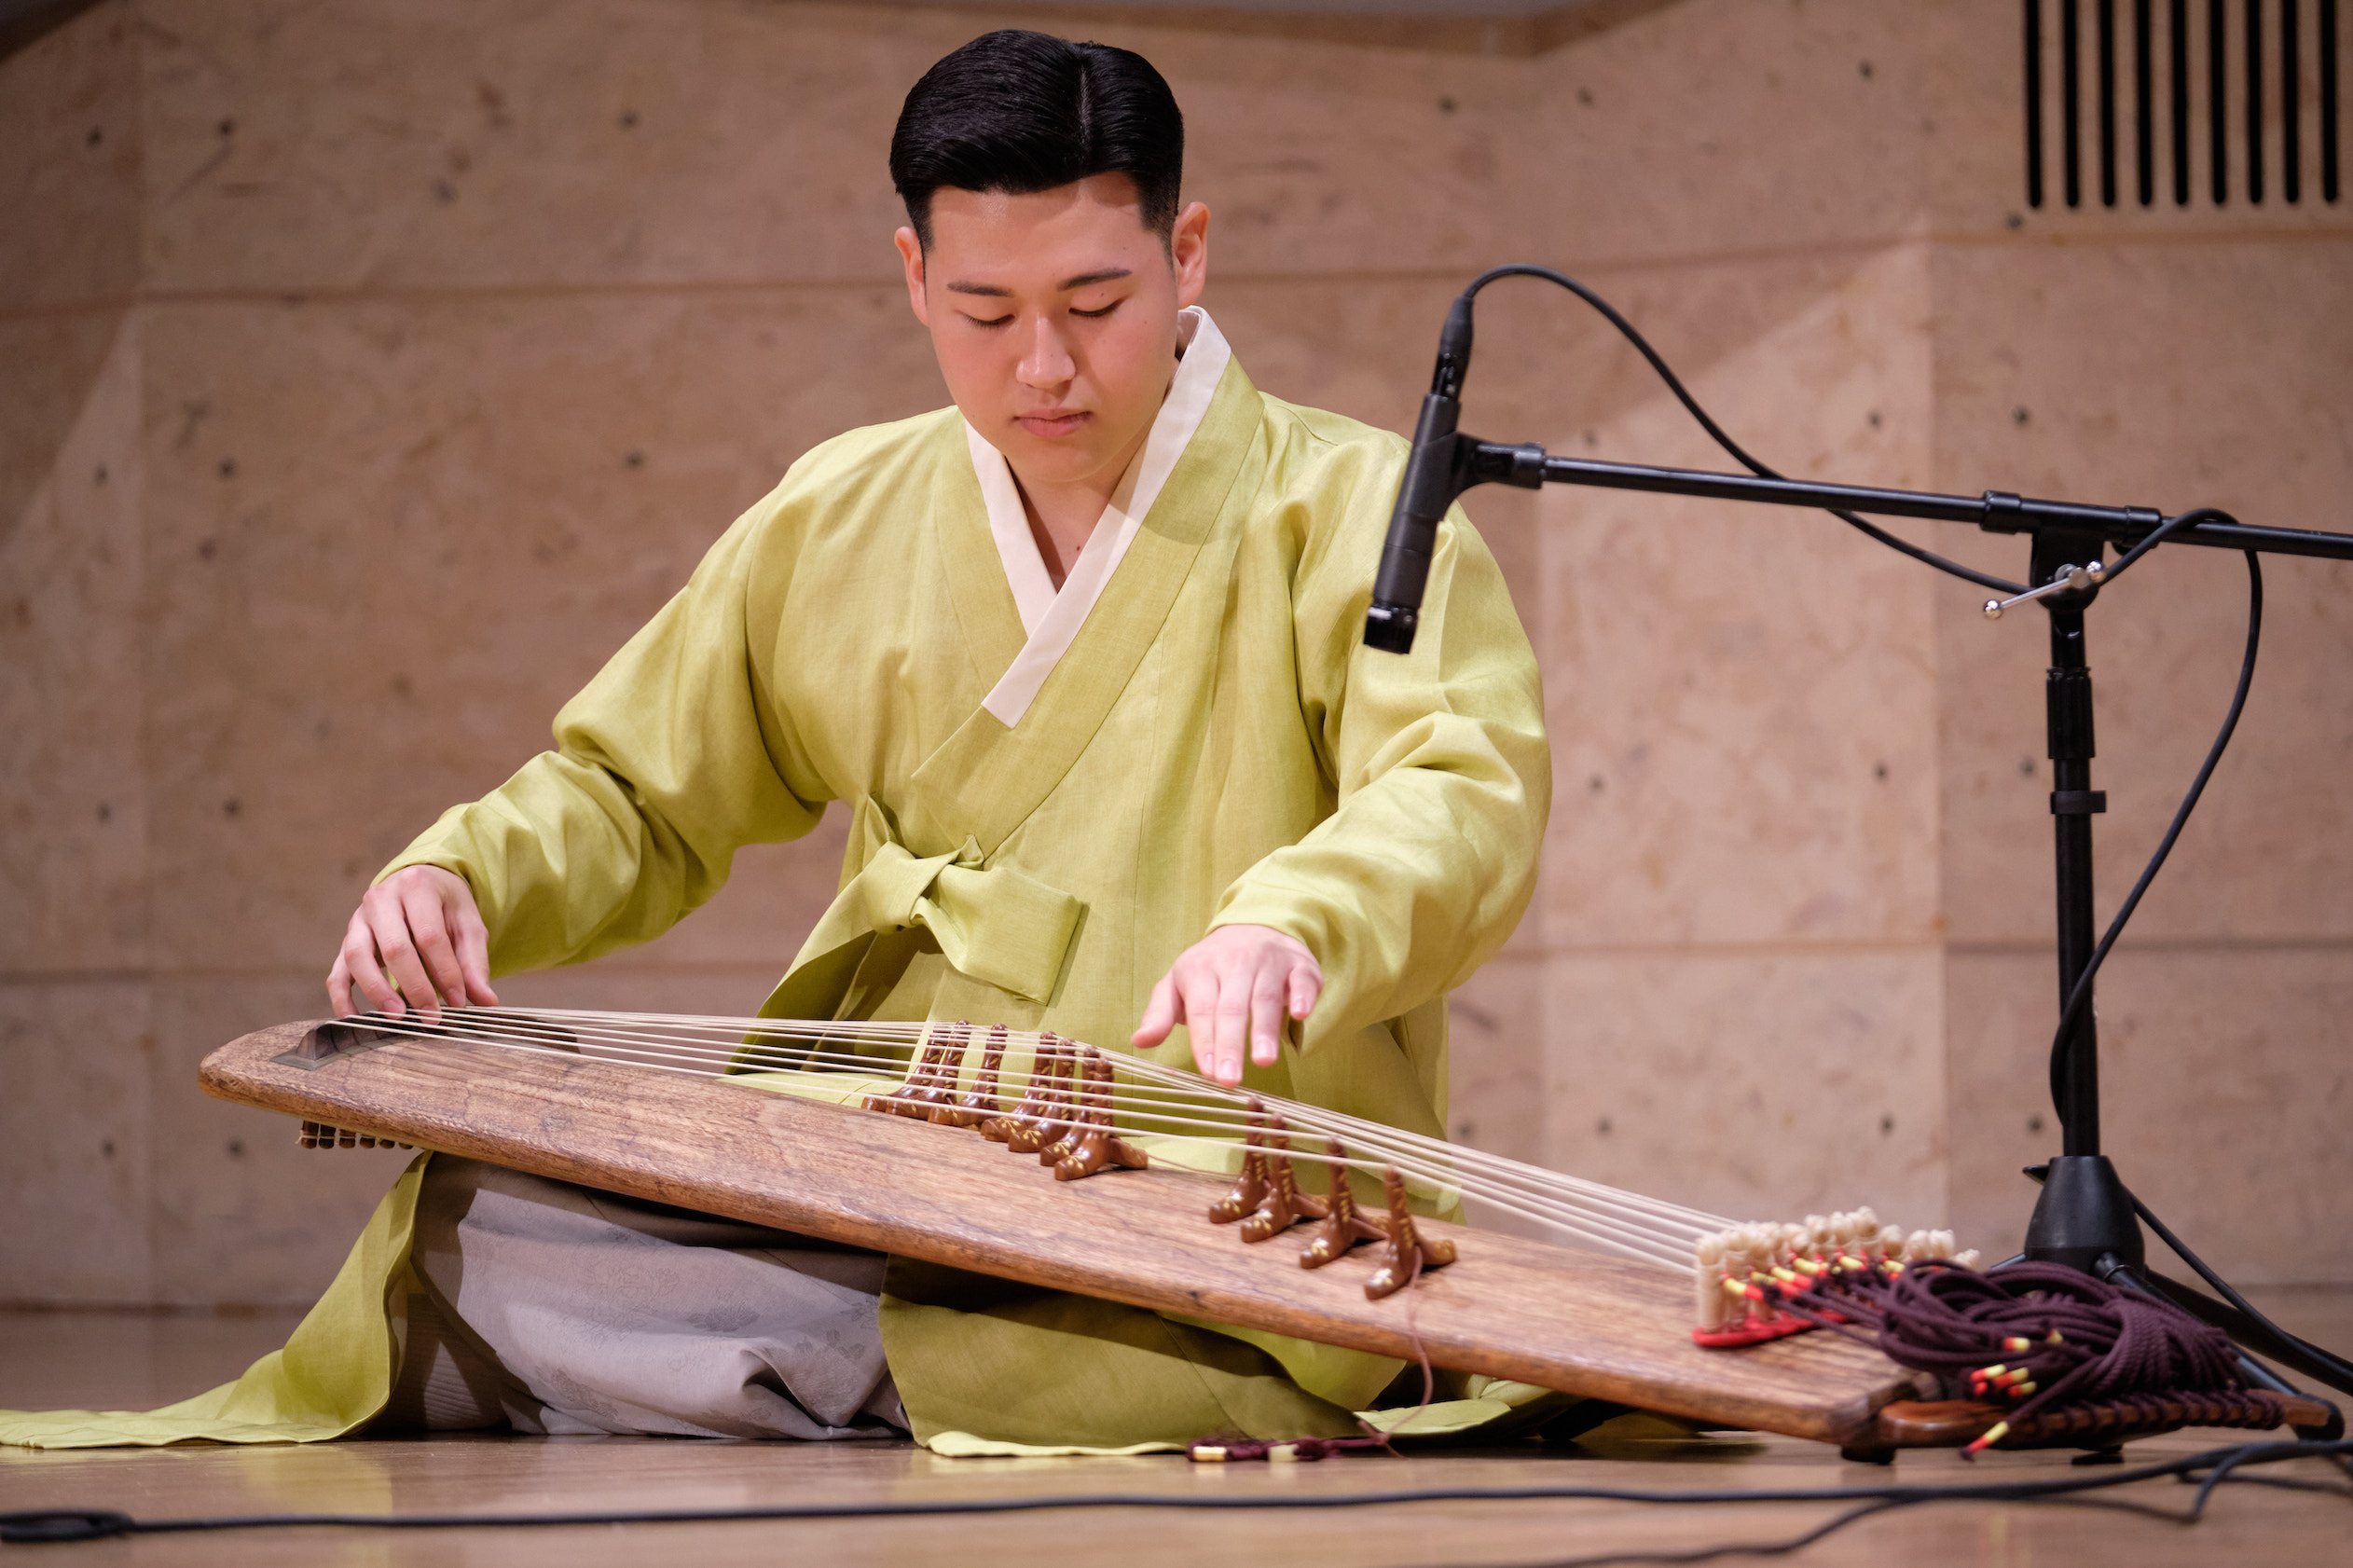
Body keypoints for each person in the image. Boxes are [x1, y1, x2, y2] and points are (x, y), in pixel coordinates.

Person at [1, 29, 1548, 1454]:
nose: (1043, 368)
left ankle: (835, 1359)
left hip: (1198, 1188)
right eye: (984, 312)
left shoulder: (1346, 511)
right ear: (909, 275)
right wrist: (467, 874)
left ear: (1186, 251)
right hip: (895, 1141)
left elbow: (1456, 786)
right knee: (471, 1221)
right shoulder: (842, 514)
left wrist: (1297, 919)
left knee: (904, 1320)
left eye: (1096, 304)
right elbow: (635, 792)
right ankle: (820, 1357)